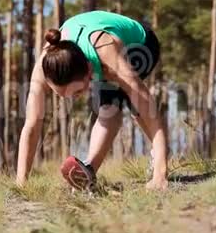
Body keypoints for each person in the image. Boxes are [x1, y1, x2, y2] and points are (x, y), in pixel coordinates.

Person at [16, 10, 168, 191]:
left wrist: (160, 174)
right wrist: (21, 183)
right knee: (109, 108)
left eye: (78, 91)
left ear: (89, 69)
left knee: (133, 103)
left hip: (141, 44)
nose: (72, 98)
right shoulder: (45, 65)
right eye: (61, 94)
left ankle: (159, 159)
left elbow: (148, 109)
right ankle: (88, 170)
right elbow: (32, 126)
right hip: (93, 50)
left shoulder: (108, 57)